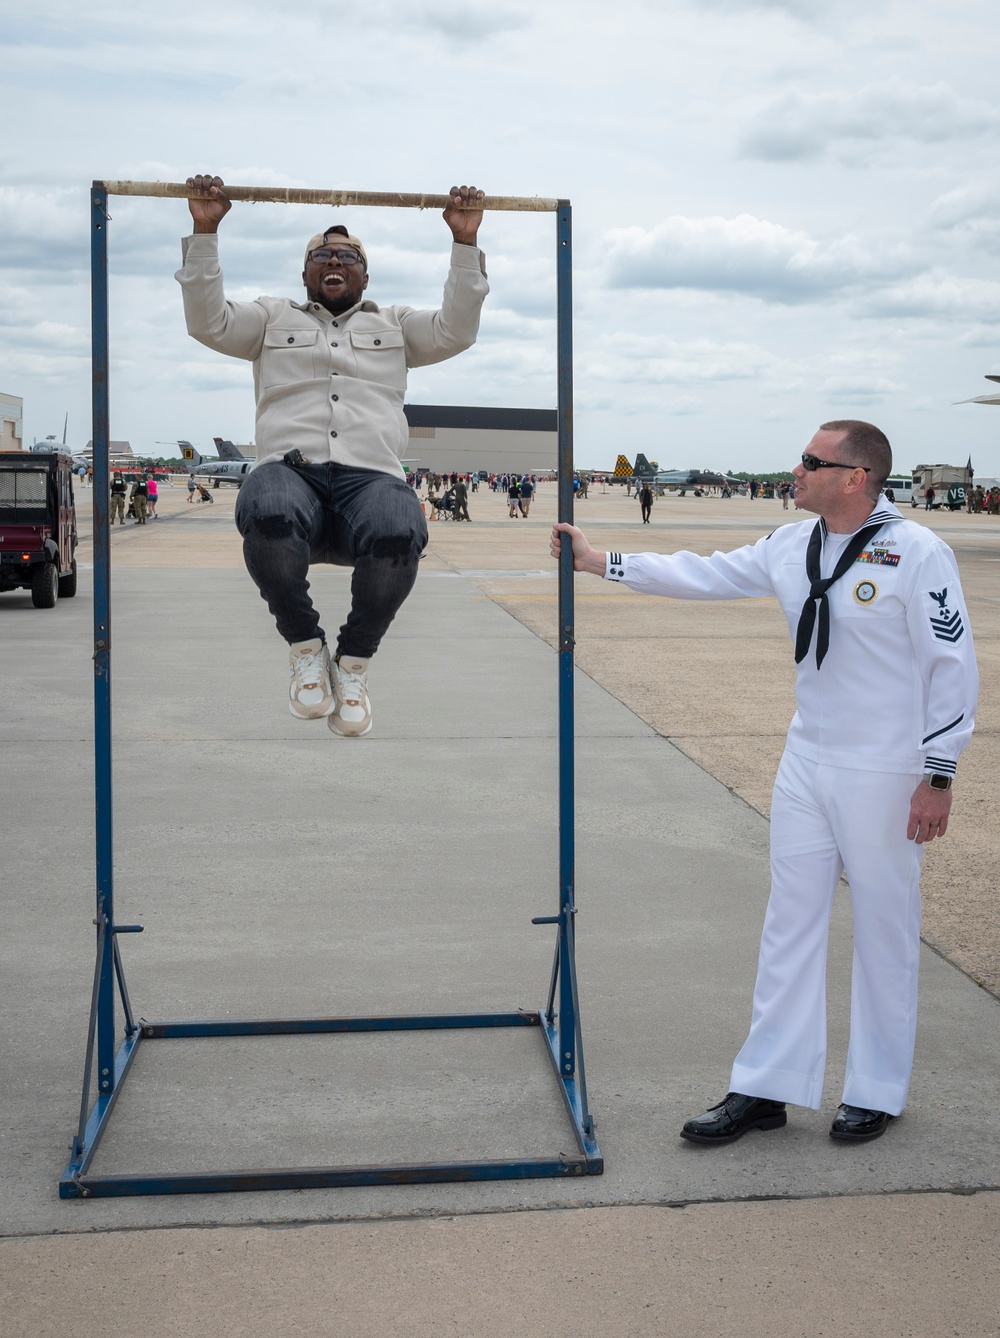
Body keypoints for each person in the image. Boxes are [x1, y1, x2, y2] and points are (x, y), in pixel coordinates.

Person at [552, 420, 978, 1145]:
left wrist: (938, 774)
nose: (797, 469)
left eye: (813, 461)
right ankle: (766, 1086)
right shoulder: (791, 545)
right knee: (789, 923)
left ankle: (875, 1088)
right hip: (807, 760)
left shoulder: (917, 553)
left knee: (885, 928)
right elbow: (708, 574)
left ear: (856, 478)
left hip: (887, 767)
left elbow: (953, 668)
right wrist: (603, 562)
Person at [177, 174, 488, 737]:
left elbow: (456, 330)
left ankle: (353, 665)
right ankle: (305, 648)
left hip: (370, 483)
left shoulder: (394, 324)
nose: (334, 261)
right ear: (305, 273)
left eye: (347, 255)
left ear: (365, 275)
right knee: (263, 498)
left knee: (401, 523)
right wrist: (205, 231)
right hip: (290, 476)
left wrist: (464, 244)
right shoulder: (273, 318)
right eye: (322, 255)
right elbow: (208, 322)